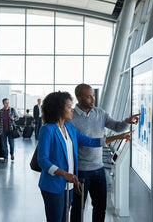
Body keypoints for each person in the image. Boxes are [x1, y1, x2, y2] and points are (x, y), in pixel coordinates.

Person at [38, 91, 132, 222]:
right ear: (59, 109)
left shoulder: (69, 128)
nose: (72, 110)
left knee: (65, 218)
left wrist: (118, 136)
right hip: (54, 185)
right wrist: (64, 174)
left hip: (69, 185)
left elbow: (90, 141)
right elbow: (42, 160)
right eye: (69, 107)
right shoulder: (47, 130)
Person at [69, 83, 141, 222]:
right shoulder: (71, 118)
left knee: (100, 207)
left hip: (99, 169)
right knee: (78, 208)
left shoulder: (100, 113)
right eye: (89, 97)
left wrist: (127, 121)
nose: (93, 99)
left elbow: (117, 127)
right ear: (79, 98)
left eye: (93, 96)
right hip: (81, 171)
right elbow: (87, 141)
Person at [0, 98, 19, 163]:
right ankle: (5, 157)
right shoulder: (0, 111)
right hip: (2, 130)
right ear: (3, 103)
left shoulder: (12, 110)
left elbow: (18, 117)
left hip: (11, 130)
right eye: (6, 103)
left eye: (8, 102)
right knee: (4, 145)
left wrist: (13, 118)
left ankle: (12, 154)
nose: (7, 104)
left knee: (11, 144)